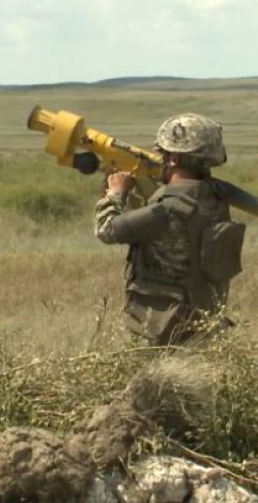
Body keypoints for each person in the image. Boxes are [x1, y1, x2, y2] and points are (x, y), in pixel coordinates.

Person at [94, 113, 245, 346]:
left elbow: (106, 229)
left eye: (163, 154)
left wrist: (115, 193)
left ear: (173, 158)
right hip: (202, 327)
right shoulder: (214, 201)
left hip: (165, 332)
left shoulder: (168, 210)